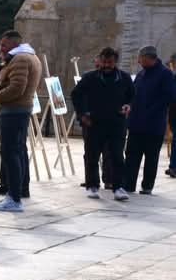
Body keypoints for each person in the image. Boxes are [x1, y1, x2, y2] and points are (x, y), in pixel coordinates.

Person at [0, 30, 42, 212]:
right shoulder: (28, 57)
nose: (0, 48)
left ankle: (14, 198)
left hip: (13, 111)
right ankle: (17, 193)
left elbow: (17, 87)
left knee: (11, 153)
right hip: (18, 110)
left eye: (3, 45)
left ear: (13, 44)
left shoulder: (20, 59)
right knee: (17, 151)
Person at [71, 47, 133, 200]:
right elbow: (76, 94)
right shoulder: (90, 77)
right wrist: (82, 114)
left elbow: (132, 96)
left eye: (110, 62)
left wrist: (128, 105)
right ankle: (92, 186)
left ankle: (118, 187)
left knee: (117, 156)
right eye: (104, 62)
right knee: (92, 155)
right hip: (95, 123)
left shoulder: (124, 78)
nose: (106, 65)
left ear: (115, 62)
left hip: (117, 123)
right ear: (100, 61)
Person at [122, 44, 176, 197]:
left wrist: (151, 110)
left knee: (151, 157)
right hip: (136, 123)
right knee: (131, 155)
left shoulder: (166, 74)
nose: (139, 61)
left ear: (149, 58)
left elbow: (170, 96)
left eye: (140, 58)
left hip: (154, 124)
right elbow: (133, 93)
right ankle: (128, 184)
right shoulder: (141, 74)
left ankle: (147, 186)